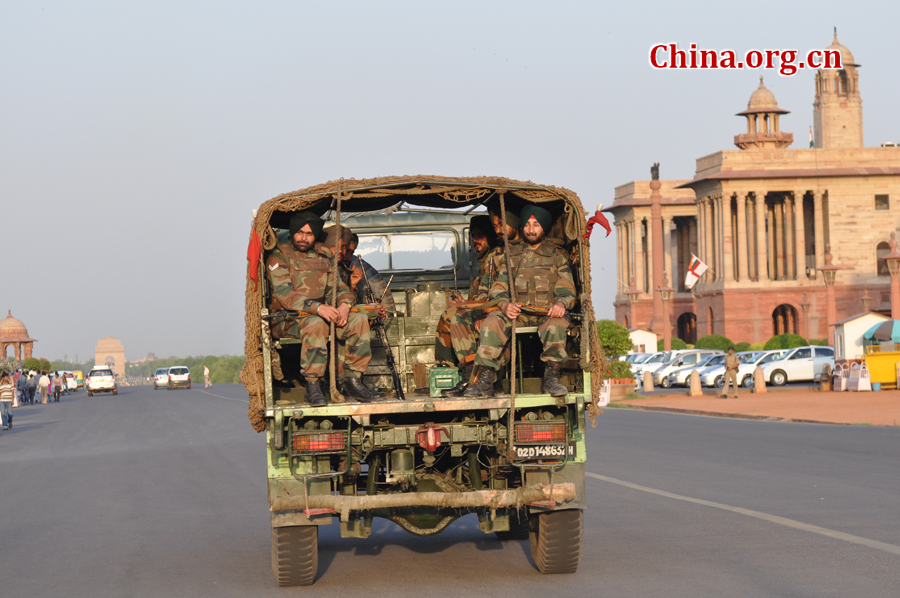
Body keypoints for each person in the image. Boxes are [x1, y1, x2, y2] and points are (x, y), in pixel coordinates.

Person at [266, 211, 382, 405]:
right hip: (288, 319)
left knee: (359, 319)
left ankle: (353, 380)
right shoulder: (278, 256)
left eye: (309, 234)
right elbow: (286, 296)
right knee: (316, 324)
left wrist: (344, 305)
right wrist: (320, 309)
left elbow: (337, 288)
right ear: (293, 232)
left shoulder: (323, 256)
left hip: (322, 314)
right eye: (300, 232)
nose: (304, 238)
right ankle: (313, 386)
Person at [466, 204, 577, 398]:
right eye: (527, 224)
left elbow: (567, 289)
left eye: (536, 225)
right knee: (492, 321)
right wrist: (505, 305)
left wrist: (561, 304)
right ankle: (485, 380)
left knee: (557, 323)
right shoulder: (511, 255)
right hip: (518, 314)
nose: (531, 230)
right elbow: (499, 288)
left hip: (546, 314)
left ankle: (552, 377)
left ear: (543, 227)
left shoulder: (557, 256)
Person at [435, 214, 506, 396]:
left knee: (454, 316)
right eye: (473, 236)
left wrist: (480, 313)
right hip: (482, 312)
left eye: (480, 235)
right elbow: (481, 294)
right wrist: (464, 302)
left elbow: (497, 294)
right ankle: (467, 375)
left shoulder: (497, 258)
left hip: (497, 315)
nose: (476, 240)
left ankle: (477, 376)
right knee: (454, 315)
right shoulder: (483, 262)